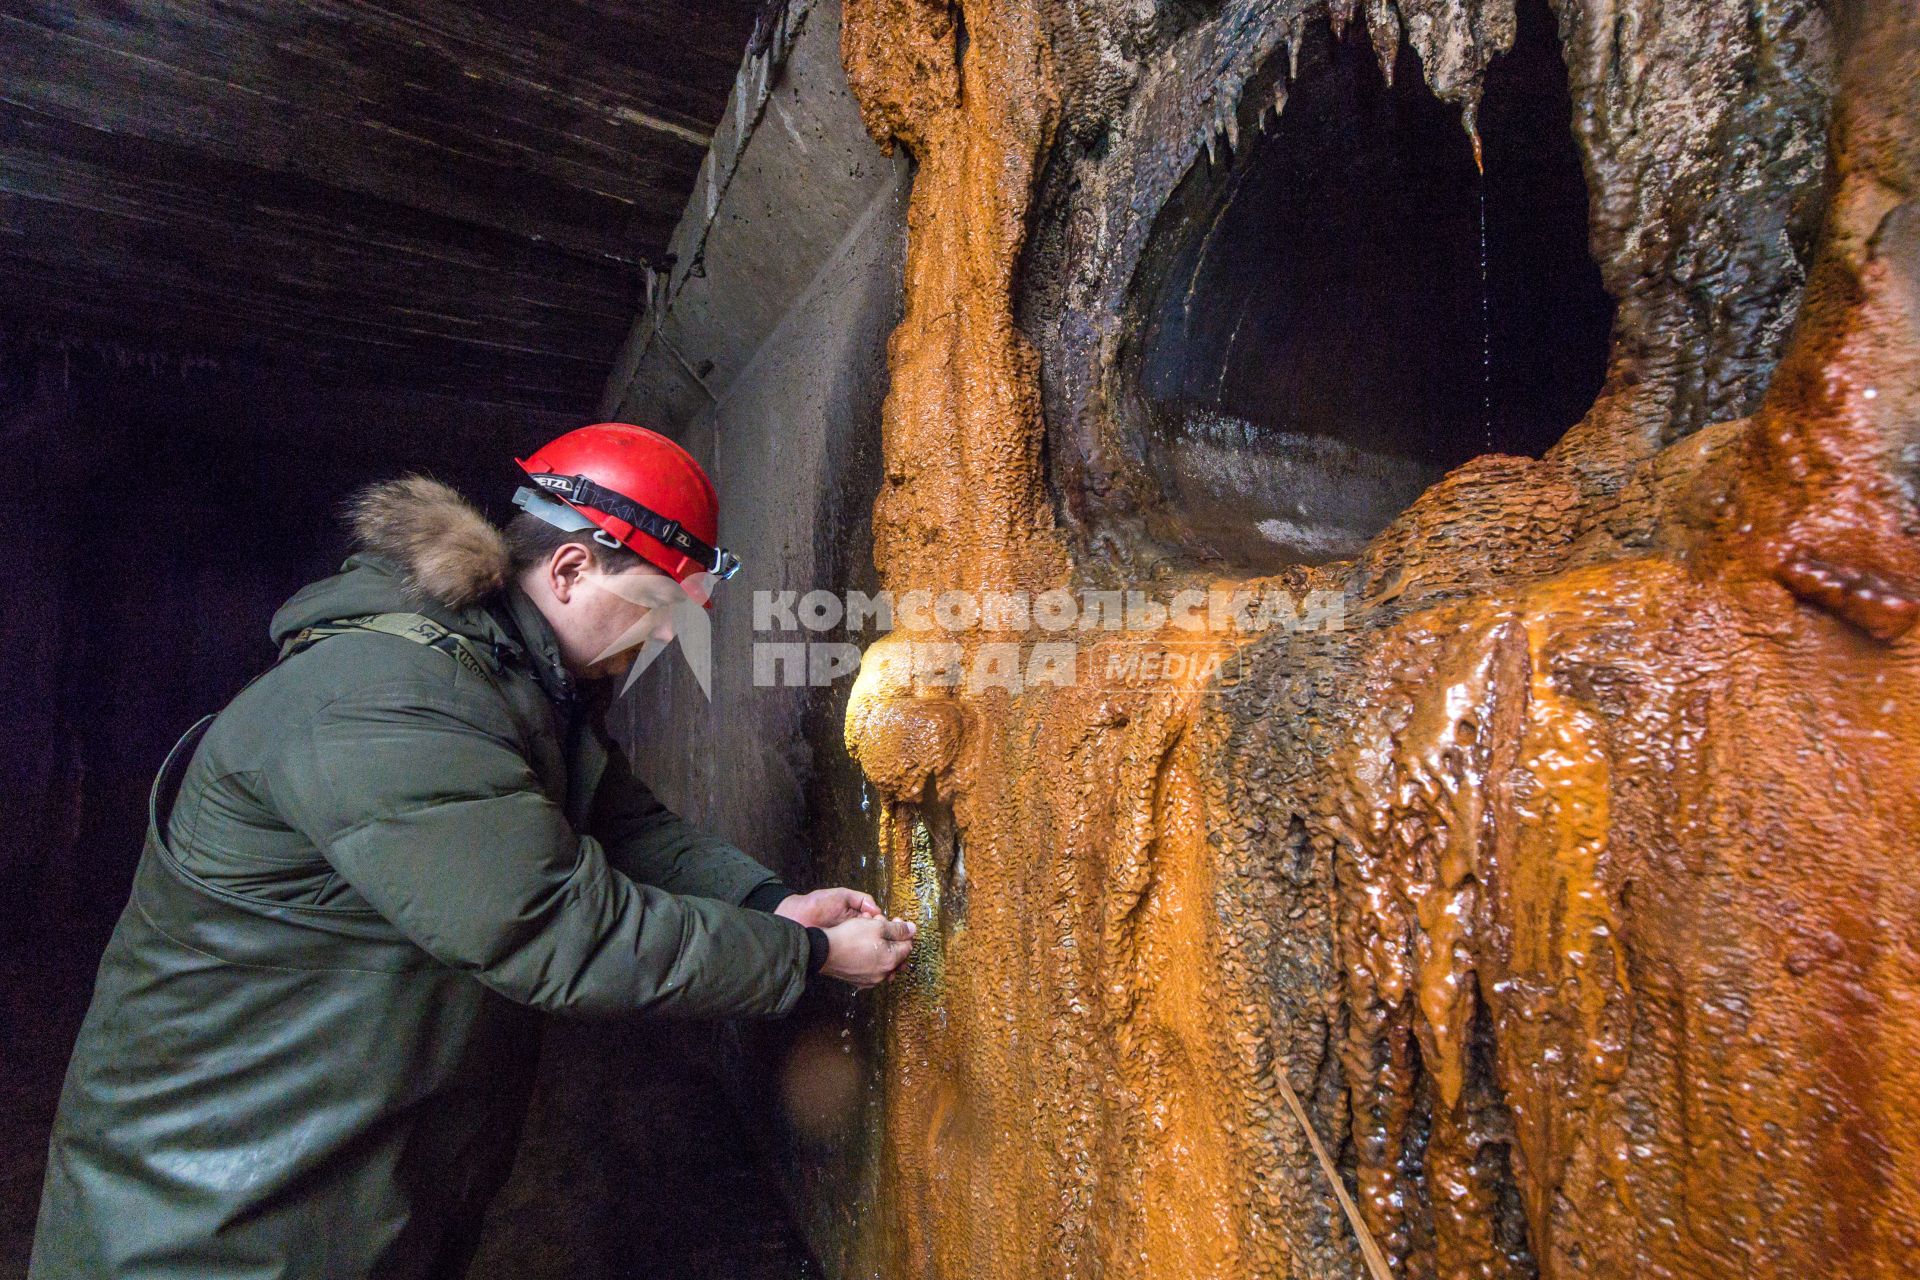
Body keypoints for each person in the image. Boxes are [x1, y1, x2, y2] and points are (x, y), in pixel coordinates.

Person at [29, 422, 915, 1279]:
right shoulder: (385, 704)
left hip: (336, 1181)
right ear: (570, 569)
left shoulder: (506, 686)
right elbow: (562, 931)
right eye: (654, 608)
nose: (658, 640)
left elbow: (628, 830)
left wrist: (769, 904)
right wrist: (804, 955)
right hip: (214, 1220)